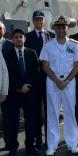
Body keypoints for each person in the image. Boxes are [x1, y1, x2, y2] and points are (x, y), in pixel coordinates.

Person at [39, 15, 78, 155]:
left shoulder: (74, 45)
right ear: (54, 29)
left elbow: (77, 65)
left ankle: (72, 143)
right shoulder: (48, 45)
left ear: (66, 29)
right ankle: (52, 145)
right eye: (58, 27)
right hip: (52, 82)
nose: (61, 30)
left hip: (69, 82)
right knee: (52, 113)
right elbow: (45, 65)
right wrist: (57, 81)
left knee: (70, 112)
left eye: (63, 27)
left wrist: (67, 81)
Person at [2, 28, 41, 156]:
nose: (19, 39)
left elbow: (37, 71)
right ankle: (12, 146)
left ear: (24, 39)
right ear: (12, 40)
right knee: (12, 120)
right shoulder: (7, 55)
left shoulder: (32, 53)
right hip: (14, 92)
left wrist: (28, 85)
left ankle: (31, 145)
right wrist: (19, 86)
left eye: (21, 36)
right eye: (16, 37)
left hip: (29, 91)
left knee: (31, 119)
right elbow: (7, 73)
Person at [25, 10, 55, 148]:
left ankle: (50, 139)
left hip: (50, 78)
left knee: (51, 110)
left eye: (41, 19)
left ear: (44, 21)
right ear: (33, 21)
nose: (39, 22)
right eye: (36, 20)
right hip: (35, 79)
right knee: (36, 112)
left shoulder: (51, 35)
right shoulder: (28, 37)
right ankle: (38, 139)